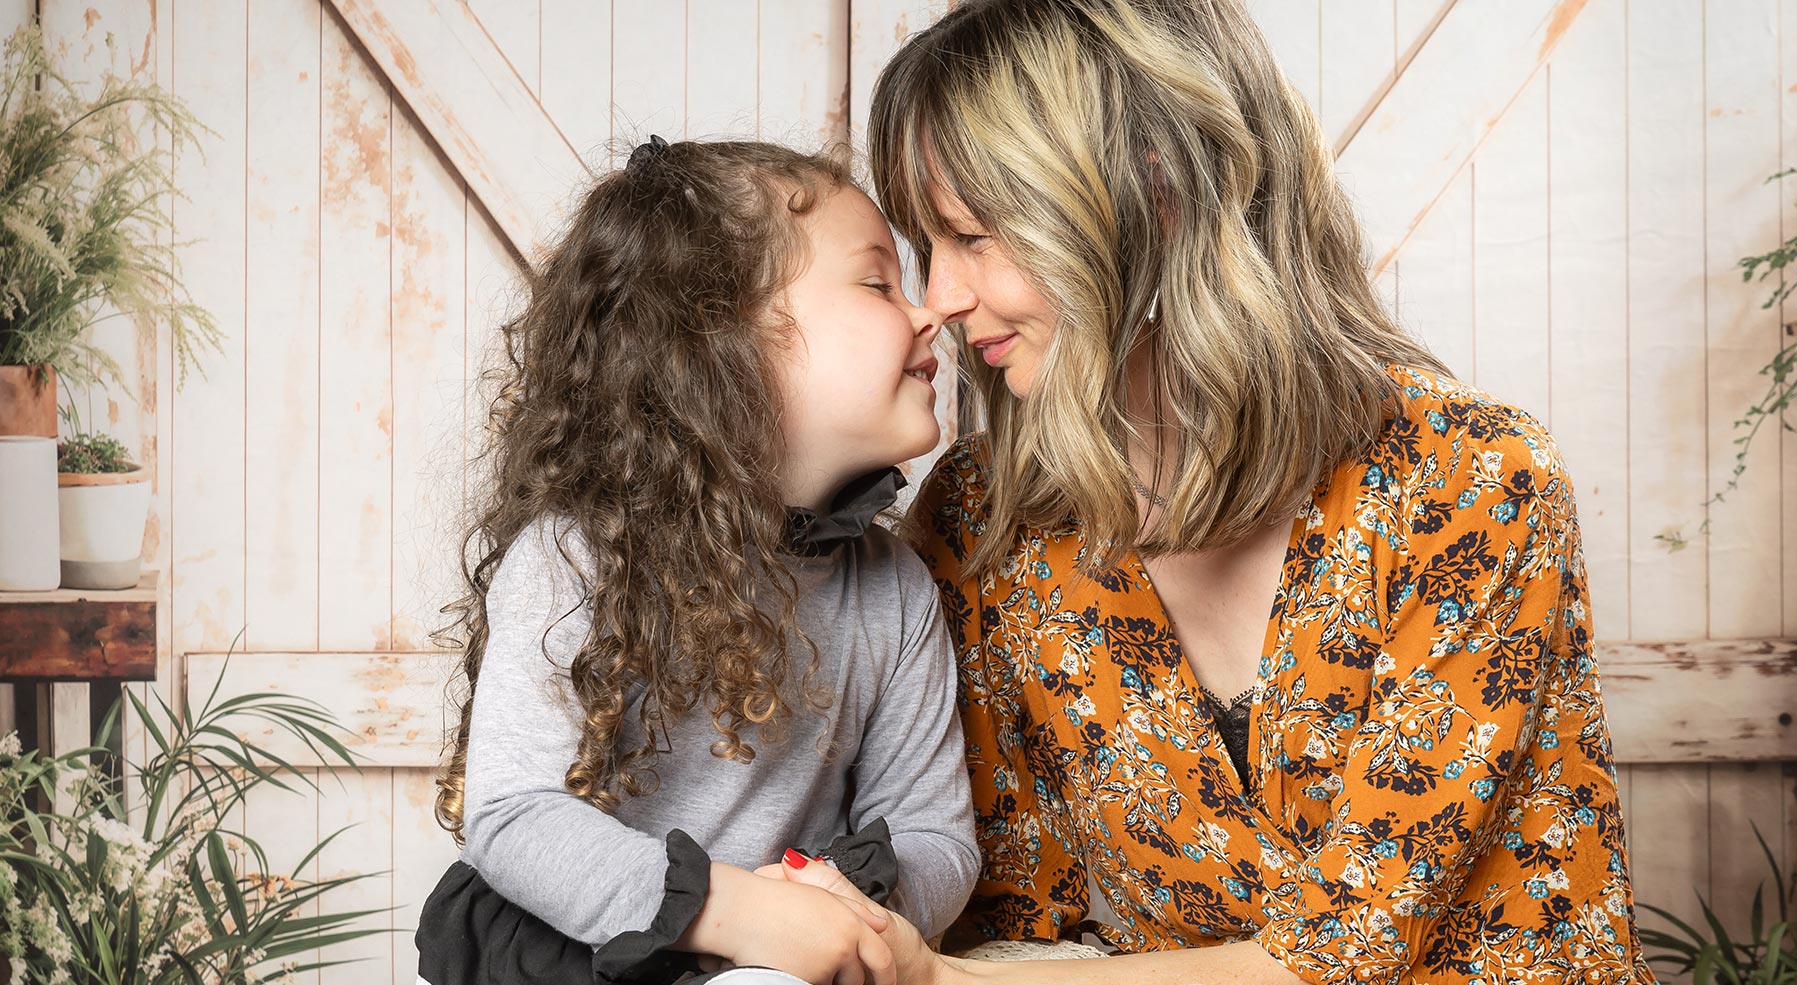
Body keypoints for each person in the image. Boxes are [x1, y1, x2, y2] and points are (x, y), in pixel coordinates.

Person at [819, 1, 1663, 982]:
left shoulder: (1471, 479)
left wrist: (949, 980)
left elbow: (1345, 950)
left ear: (1157, 194)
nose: (941, 297)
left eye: (973, 235)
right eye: (928, 243)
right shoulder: (985, 520)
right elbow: (1014, 916)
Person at [413, 137, 981, 985]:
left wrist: (834, 909)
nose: (928, 312)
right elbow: (517, 815)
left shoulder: (894, 590)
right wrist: (737, 910)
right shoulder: (579, 555)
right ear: (719, 339)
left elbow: (935, 837)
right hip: (586, 958)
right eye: (877, 283)